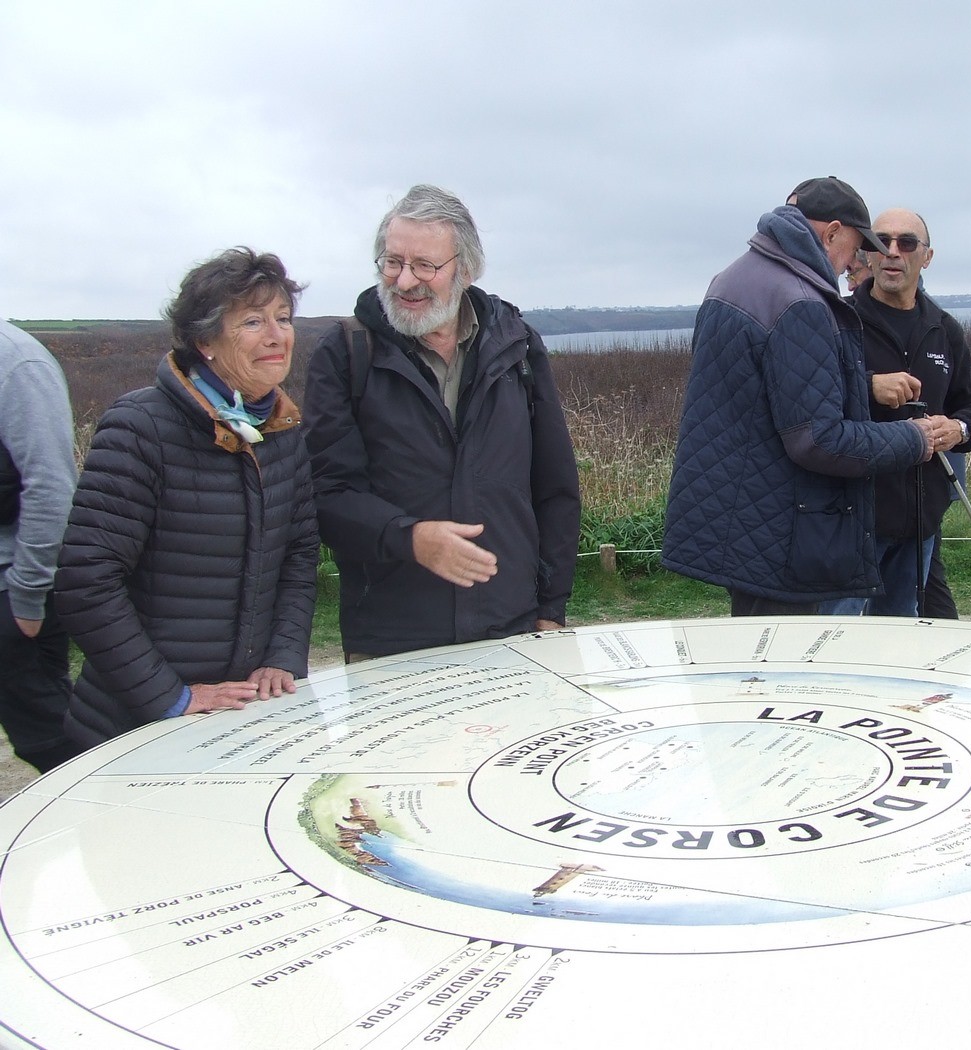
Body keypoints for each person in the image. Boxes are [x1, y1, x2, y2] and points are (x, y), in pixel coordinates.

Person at [55, 249, 321, 748]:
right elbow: (86, 581)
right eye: (252, 321)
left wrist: (281, 658)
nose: (276, 335)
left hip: (244, 716)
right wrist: (170, 697)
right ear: (205, 340)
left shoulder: (281, 429)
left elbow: (300, 554)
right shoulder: (140, 428)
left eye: (283, 319)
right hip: (135, 724)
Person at [303, 184, 580, 659]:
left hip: (511, 630)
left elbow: (554, 487)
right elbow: (326, 495)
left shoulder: (517, 347)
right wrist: (410, 538)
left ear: (466, 270)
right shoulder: (347, 353)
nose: (405, 281)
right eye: (392, 262)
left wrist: (551, 608)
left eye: (425, 266)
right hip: (392, 640)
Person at [663, 176, 946, 616]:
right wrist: (914, 438)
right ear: (832, 232)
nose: (855, 261)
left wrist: (860, 386)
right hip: (779, 532)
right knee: (782, 672)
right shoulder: (802, 301)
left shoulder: (735, 278)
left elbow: (757, 398)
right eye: (855, 246)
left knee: (751, 661)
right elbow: (818, 439)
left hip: (737, 520)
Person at [824, 208, 971, 618]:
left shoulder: (943, 328)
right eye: (881, 241)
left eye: (907, 243)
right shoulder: (837, 319)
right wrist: (867, 386)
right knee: (832, 645)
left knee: (900, 650)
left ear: (927, 257)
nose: (893, 252)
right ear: (868, 254)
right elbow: (808, 405)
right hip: (850, 520)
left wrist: (958, 428)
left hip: (919, 524)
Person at [0, 321, 82, 772]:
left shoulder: (16, 362)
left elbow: (51, 487)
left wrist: (26, 601)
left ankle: (127, 831)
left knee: (52, 741)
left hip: (11, 587)